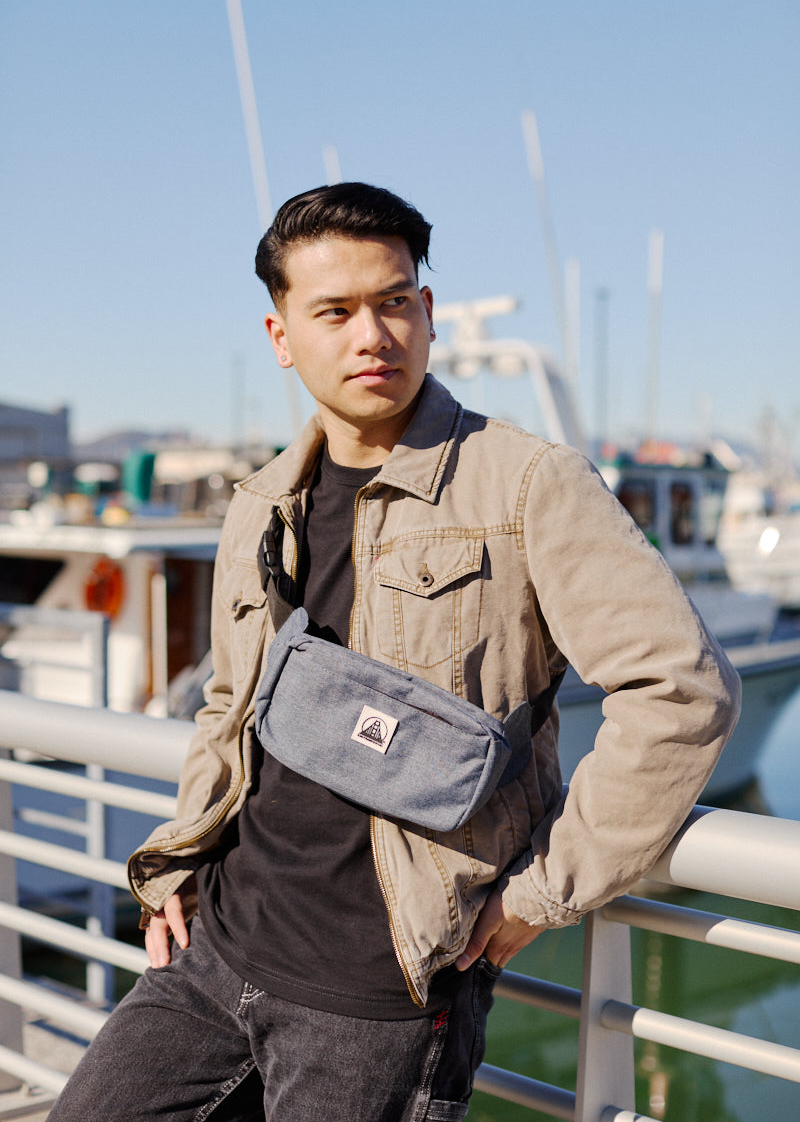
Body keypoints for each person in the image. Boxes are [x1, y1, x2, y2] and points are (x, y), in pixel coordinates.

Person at [50, 182, 740, 1121]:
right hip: (219, 948)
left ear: (426, 310)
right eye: (334, 311)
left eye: (395, 301)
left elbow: (682, 690)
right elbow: (228, 702)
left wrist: (545, 892)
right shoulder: (262, 503)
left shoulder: (529, 485)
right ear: (281, 335)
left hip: (385, 992)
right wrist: (176, 857)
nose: (372, 334)